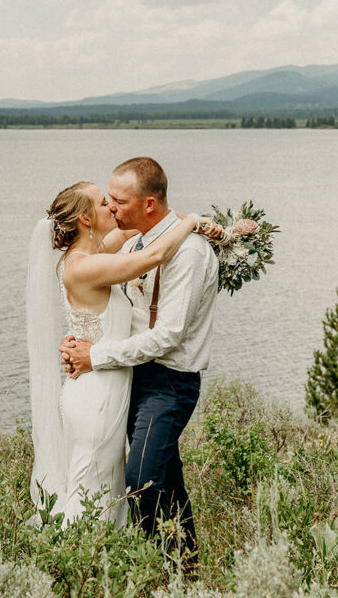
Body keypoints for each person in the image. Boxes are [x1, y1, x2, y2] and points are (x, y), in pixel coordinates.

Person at [28, 178, 216, 529]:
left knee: (111, 479)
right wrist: (192, 222)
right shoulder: (84, 265)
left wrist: (178, 218)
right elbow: (155, 254)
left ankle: (114, 559)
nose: (111, 208)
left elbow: (138, 230)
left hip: (111, 382)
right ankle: (73, 557)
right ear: (85, 219)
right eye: (103, 203)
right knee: (92, 480)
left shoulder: (96, 253)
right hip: (95, 391)